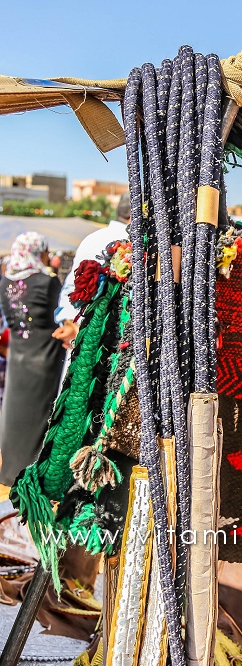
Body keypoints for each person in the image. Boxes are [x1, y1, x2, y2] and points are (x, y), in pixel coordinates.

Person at [0, 232, 65, 485]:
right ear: (38, 251)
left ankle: (10, 472)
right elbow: (58, 317)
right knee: (40, 413)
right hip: (44, 359)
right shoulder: (46, 281)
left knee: (15, 412)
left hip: (18, 359)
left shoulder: (5, 282)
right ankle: (35, 474)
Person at [53, 192, 130, 349]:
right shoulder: (132, 241)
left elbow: (71, 287)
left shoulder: (91, 238)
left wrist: (69, 323)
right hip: (111, 340)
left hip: (82, 334)